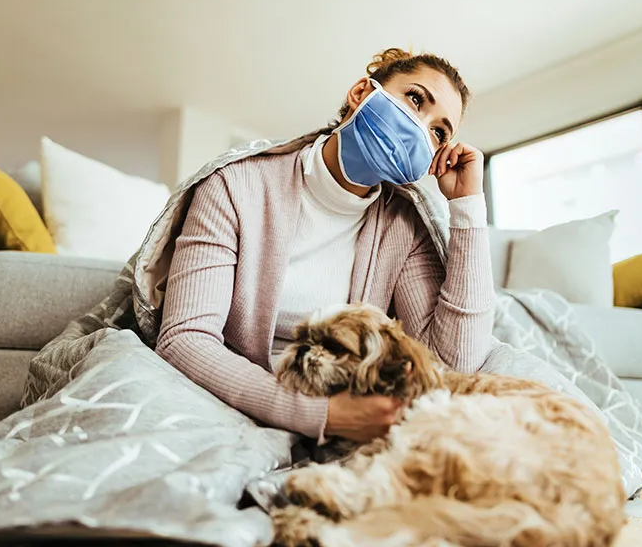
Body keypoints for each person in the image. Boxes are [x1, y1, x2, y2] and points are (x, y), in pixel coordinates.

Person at [155, 48, 494, 445]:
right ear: (359, 93)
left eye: (439, 133)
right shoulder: (235, 186)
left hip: (349, 410)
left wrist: (468, 208)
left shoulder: (405, 226)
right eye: (415, 99)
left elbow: (452, 364)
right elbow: (184, 337)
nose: (420, 128)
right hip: (232, 398)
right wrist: (323, 415)